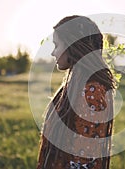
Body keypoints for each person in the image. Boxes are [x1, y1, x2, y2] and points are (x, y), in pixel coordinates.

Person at [37, 15, 115, 169]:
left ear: (73, 46)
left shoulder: (91, 92)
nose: (53, 53)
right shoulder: (76, 84)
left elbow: (83, 161)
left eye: (56, 45)